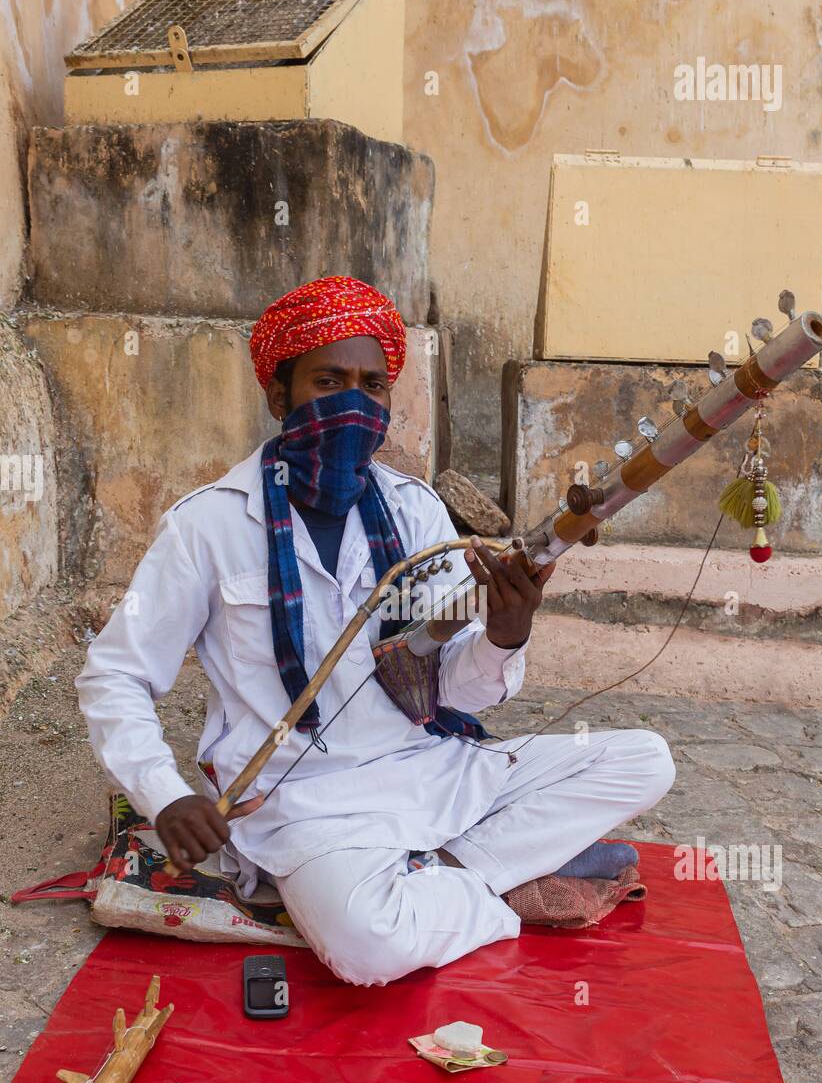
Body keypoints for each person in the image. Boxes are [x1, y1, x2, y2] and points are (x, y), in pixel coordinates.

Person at [76, 275, 675, 987]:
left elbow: (450, 689)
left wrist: (504, 635)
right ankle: (499, 877)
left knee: (645, 759)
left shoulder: (417, 514)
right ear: (279, 396)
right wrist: (165, 795)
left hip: (428, 769)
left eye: (374, 386)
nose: (356, 405)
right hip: (306, 805)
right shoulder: (206, 526)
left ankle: (452, 872)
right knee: (366, 950)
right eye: (330, 382)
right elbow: (116, 674)